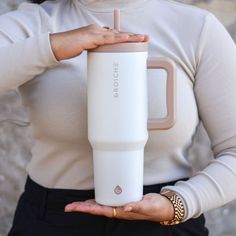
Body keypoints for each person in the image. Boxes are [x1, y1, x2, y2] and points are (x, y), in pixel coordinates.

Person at [1, 0, 236, 235]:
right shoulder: (34, 23)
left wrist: (179, 203)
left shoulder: (197, 28)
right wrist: (53, 46)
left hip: (165, 222)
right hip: (52, 220)